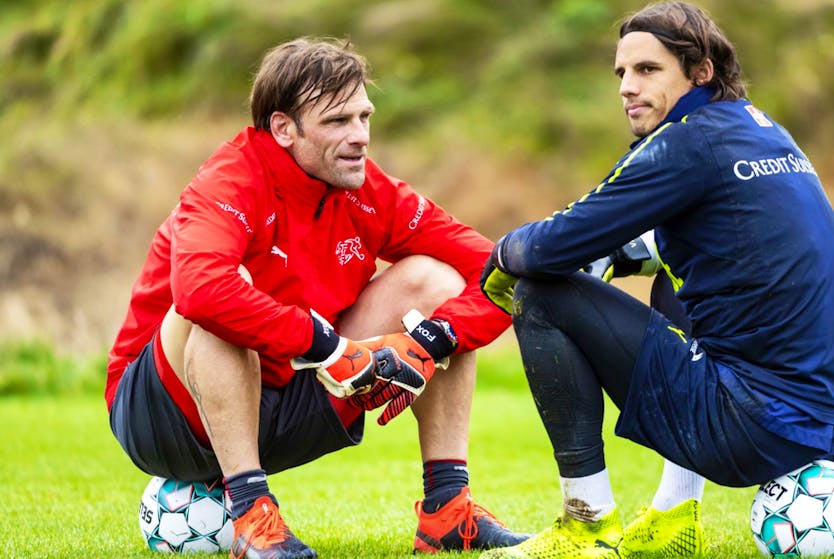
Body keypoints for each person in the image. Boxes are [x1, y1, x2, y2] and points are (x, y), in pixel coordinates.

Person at [106, 37, 528, 559]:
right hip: (166, 418)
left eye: (364, 117)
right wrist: (327, 346)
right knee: (216, 296)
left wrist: (433, 339)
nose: (360, 137)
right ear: (283, 128)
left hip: (292, 399)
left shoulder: (368, 190)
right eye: (337, 122)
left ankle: (448, 510)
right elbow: (199, 292)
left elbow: (500, 272)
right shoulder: (229, 182)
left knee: (435, 283)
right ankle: (253, 517)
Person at [478, 2, 834, 558]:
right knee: (672, 275)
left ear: (700, 72)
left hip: (751, 426)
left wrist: (502, 253)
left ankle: (585, 526)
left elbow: (550, 245)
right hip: (822, 426)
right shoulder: (762, 132)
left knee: (540, 292)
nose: (627, 87)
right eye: (621, 73)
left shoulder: (685, 143)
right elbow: (697, 243)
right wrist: (614, 257)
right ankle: (673, 517)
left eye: (647, 70)